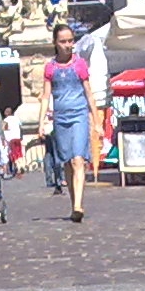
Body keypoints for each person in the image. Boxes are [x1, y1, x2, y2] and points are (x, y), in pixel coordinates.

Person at [43, 20, 93, 221]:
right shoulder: (50, 67)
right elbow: (46, 96)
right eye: (63, 41)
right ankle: (74, 204)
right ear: (55, 42)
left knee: (78, 159)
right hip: (60, 117)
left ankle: (79, 205)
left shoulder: (80, 64)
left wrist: (96, 120)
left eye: (71, 41)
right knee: (67, 164)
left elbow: (89, 93)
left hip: (79, 114)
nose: (68, 45)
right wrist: (40, 122)